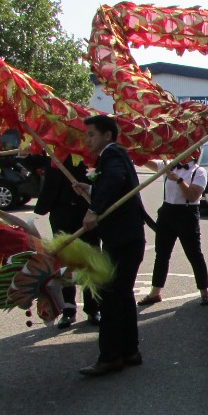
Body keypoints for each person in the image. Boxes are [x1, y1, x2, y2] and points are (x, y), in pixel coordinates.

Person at [73, 114, 147, 377]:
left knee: (111, 297)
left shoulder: (112, 156)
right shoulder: (113, 156)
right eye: (86, 135)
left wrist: (94, 208)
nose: (87, 139)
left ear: (106, 135)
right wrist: (91, 190)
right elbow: (115, 186)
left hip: (122, 239)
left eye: (91, 134)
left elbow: (115, 180)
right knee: (122, 294)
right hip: (128, 237)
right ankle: (129, 351)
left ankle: (110, 357)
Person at [33, 155, 100, 329]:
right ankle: (68, 308)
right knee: (64, 259)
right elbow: (36, 162)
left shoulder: (91, 149)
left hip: (87, 209)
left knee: (89, 258)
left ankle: (93, 308)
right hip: (61, 211)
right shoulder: (55, 147)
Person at [138, 153, 208, 307]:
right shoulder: (169, 165)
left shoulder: (199, 171)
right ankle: (155, 292)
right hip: (167, 212)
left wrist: (178, 180)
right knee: (162, 254)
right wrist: (137, 153)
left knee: (194, 253)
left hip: (187, 213)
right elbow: (149, 162)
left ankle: (204, 291)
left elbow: (192, 196)